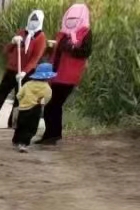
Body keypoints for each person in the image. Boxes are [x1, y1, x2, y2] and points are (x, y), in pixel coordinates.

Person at [0, 9, 46, 129]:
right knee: (0, 96)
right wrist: (13, 42)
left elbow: (35, 58)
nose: (33, 23)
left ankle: (12, 123)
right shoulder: (21, 33)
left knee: (18, 99)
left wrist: (24, 72)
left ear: (40, 22)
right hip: (11, 70)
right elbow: (6, 51)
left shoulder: (40, 38)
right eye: (32, 19)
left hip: (25, 73)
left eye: (36, 20)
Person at [38, 3, 92, 146]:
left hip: (69, 75)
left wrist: (69, 47)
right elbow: (57, 55)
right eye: (70, 17)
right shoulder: (62, 34)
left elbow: (85, 52)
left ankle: (51, 136)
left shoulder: (85, 33)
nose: (71, 21)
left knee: (53, 105)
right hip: (57, 74)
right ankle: (53, 135)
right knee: (53, 105)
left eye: (75, 18)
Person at [12, 60, 55, 151]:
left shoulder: (27, 84)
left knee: (21, 126)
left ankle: (16, 141)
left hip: (23, 108)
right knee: (30, 128)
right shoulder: (47, 88)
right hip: (36, 109)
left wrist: (23, 100)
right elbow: (46, 100)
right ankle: (24, 144)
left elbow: (19, 95)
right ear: (48, 77)